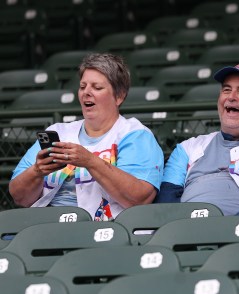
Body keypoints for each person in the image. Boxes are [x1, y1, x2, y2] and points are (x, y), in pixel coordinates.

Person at [9, 53, 164, 221]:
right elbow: (19, 197)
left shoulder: (134, 135)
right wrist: (37, 171)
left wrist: (90, 161)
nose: (86, 93)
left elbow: (139, 199)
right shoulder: (59, 132)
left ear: (119, 96)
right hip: (46, 225)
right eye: (83, 87)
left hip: (104, 232)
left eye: (97, 88)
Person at [155, 63, 239, 215]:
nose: (231, 97)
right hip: (186, 228)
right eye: (226, 90)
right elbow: (167, 199)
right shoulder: (188, 148)